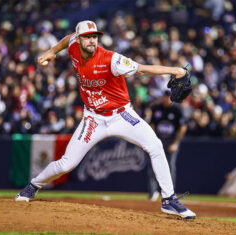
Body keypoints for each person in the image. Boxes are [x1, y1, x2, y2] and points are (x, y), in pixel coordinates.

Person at [15, 20, 196, 219]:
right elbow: (67, 40)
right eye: (87, 36)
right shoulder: (74, 44)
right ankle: (32, 186)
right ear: (80, 38)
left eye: (95, 36)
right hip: (92, 118)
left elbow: (142, 69)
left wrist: (177, 71)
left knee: (155, 146)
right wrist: (52, 51)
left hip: (121, 115)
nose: (92, 40)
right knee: (66, 164)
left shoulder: (111, 59)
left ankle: (169, 200)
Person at [148, 90, 187, 201]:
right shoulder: (156, 108)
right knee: (153, 166)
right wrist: (152, 140)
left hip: (171, 141)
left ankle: (170, 194)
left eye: (169, 97)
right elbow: (152, 125)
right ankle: (152, 193)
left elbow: (183, 127)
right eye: (165, 96)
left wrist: (175, 143)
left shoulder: (176, 110)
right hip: (159, 141)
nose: (167, 98)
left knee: (170, 167)